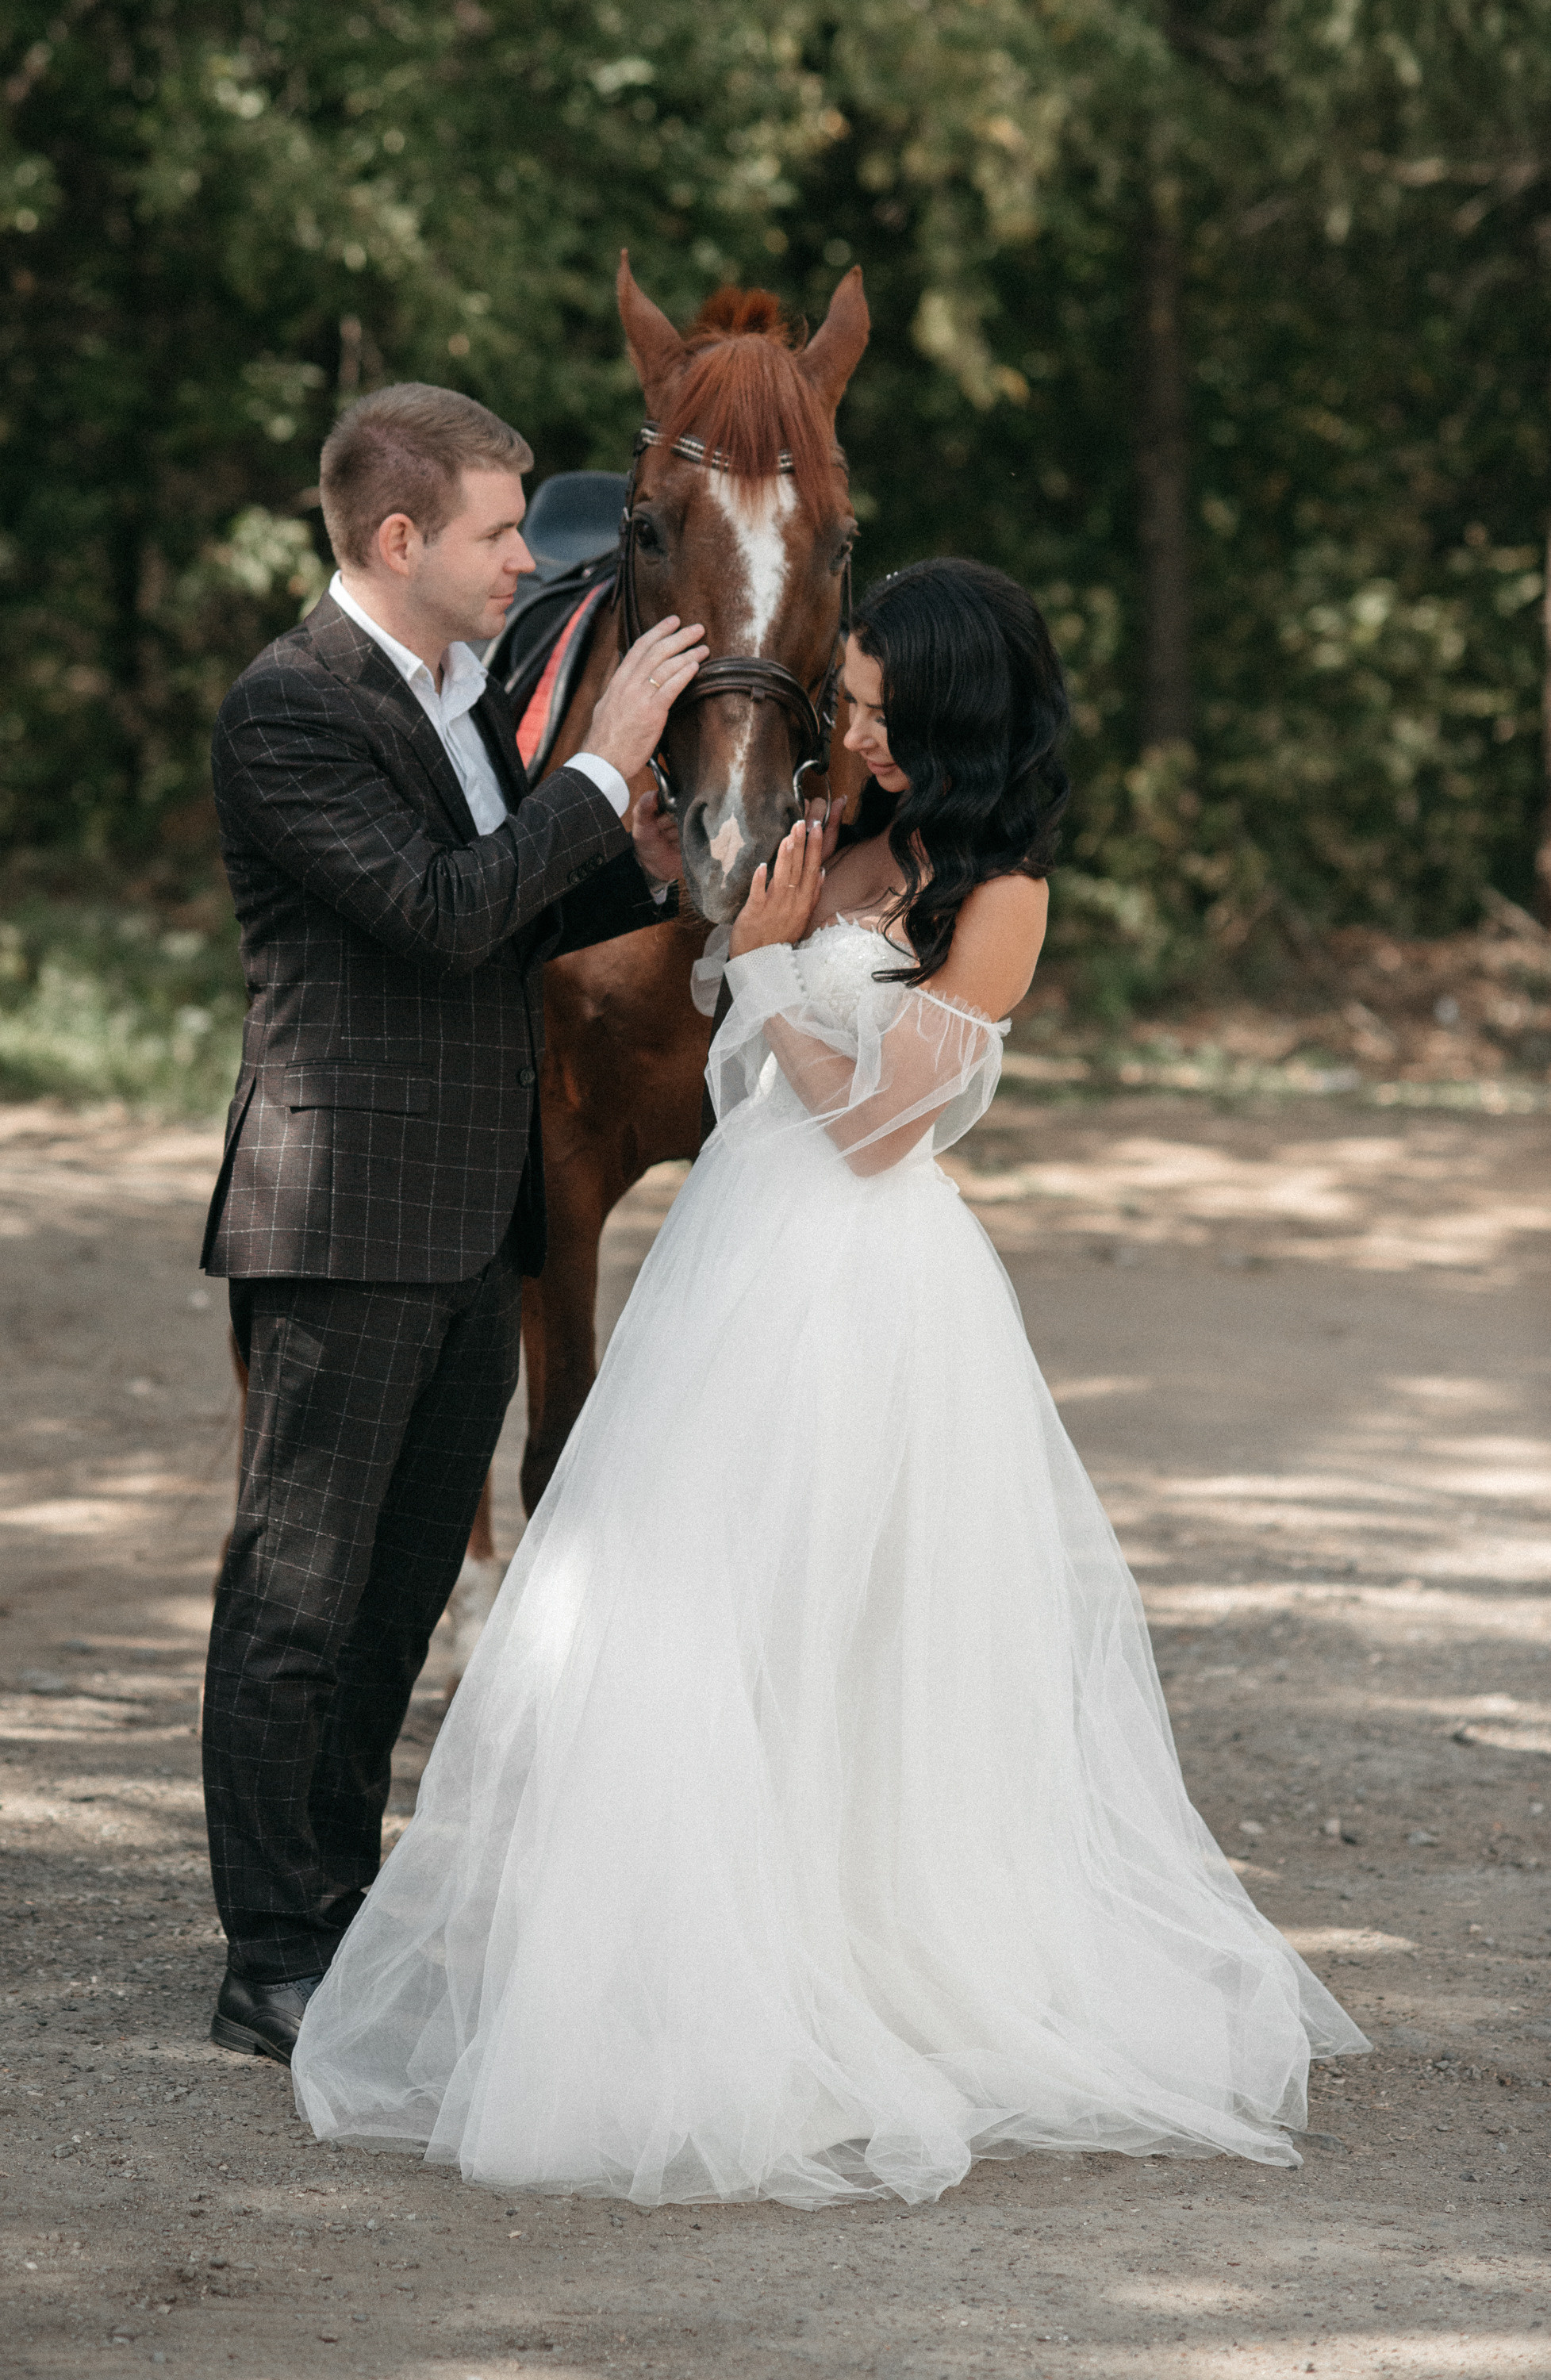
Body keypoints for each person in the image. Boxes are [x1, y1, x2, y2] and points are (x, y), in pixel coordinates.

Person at [290, 557, 1367, 2207]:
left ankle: (857, 1957)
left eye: (872, 703)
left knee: (846, 1616)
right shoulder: (845, 833)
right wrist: (743, 944)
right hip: (739, 1249)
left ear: (952, 709)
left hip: (869, 1282)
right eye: (848, 699)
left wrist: (779, 963)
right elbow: (738, 1056)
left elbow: (880, 1125)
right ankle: (664, 1956)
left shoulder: (1002, 895)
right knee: (672, 1605)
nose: (847, 726)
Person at [200, 381, 707, 2065]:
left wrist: (633, 848)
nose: (525, 561)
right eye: (501, 533)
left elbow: (521, 909)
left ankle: (339, 1910)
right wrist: (597, 762)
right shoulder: (293, 708)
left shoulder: (452, 697)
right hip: (343, 1213)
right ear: (401, 539)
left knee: (404, 1590)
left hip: (472, 1214)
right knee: (297, 1598)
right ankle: (267, 1953)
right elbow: (433, 915)